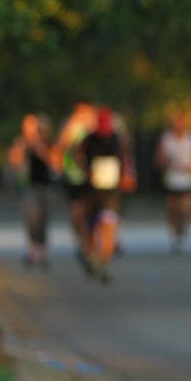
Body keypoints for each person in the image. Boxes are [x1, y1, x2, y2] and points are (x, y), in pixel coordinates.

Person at [74, 107, 125, 283]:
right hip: (92, 191)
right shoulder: (89, 139)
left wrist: (124, 175)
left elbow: (124, 158)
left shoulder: (117, 139)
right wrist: (85, 170)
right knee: (91, 227)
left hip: (110, 191)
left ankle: (104, 263)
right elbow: (77, 154)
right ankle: (91, 256)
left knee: (107, 227)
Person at [9, 114, 56, 268]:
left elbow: (55, 162)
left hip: (44, 185)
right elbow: (14, 161)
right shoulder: (22, 143)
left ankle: (42, 248)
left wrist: (41, 151)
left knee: (43, 218)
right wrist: (20, 149)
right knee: (31, 216)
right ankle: (33, 247)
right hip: (29, 186)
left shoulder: (45, 142)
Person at [55, 102, 98, 270]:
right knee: (77, 212)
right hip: (75, 176)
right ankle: (82, 242)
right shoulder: (71, 126)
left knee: (94, 213)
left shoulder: (98, 125)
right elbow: (61, 146)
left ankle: (91, 244)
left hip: (96, 178)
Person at [155, 106, 191, 254]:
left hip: (187, 179)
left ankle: (185, 225)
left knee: (187, 208)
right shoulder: (166, 139)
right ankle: (176, 236)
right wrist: (167, 163)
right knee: (172, 209)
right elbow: (159, 159)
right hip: (172, 179)